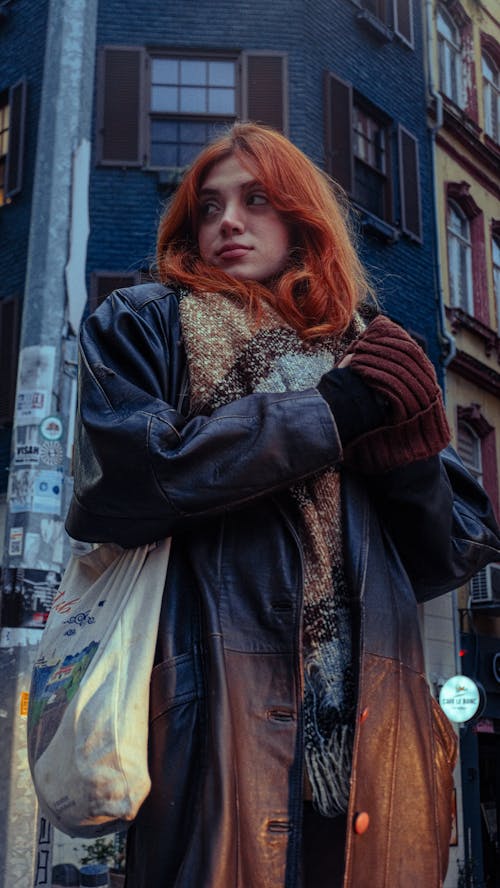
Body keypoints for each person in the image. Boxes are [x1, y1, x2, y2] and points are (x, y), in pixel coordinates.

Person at [66, 123, 500, 888]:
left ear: (302, 216)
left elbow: (445, 555)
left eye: (257, 199)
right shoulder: (144, 324)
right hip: (209, 727)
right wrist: (328, 416)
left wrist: (402, 460)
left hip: (373, 742)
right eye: (208, 207)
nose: (227, 221)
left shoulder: (368, 350)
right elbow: (124, 484)